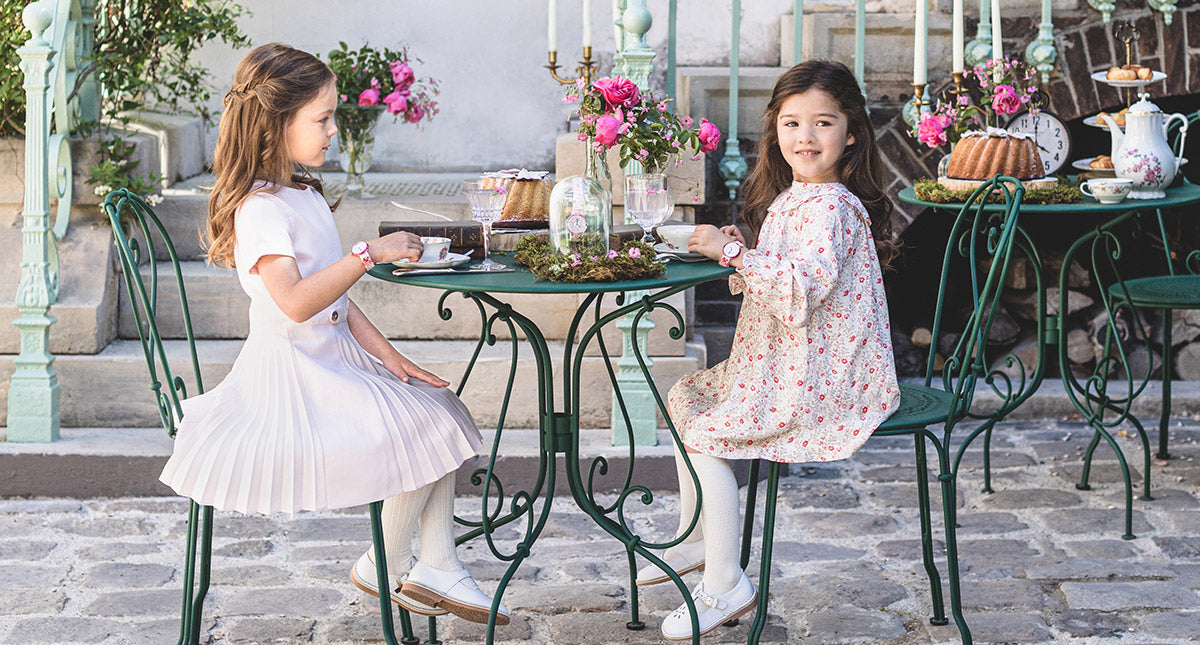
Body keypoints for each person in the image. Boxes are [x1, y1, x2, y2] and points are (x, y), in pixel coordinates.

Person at [157, 43, 509, 626]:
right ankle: (394, 563)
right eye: (322, 119)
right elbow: (296, 304)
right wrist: (367, 254)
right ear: (275, 125)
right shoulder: (260, 209)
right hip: (291, 380)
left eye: (334, 117)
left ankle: (431, 562)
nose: (333, 131)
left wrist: (395, 361)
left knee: (440, 403)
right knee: (431, 423)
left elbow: (337, 301)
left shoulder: (301, 192)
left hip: (332, 360)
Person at [641, 60, 901, 640]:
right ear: (774, 131)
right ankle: (701, 545)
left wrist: (731, 256)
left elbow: (800, 291)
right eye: (791, 124)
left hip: (828, 374)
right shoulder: (796, 198)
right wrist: (743, 248)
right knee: (690, 400)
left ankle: (726, 581)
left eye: (823, 123)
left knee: (706, 432)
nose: (805, 138)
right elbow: (782, 275)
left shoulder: (831, 206)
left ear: (852, 132)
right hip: (787, 359)